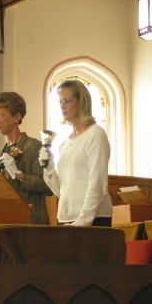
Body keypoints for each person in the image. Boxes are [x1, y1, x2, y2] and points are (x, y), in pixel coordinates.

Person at [40, 80, 112, 226]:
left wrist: (82, 221)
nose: (62, 106)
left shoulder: (96, 134)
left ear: (81, 102)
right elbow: (61, 191)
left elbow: (98, 183)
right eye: (60, 101)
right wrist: (48, 167)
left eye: (67, 101)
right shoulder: (64, 144)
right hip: (67, 217)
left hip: (93, 218)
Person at [0, 91, 52, 224]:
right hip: (7, 220)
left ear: (16, 117)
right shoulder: (2, 152)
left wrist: (19, 175)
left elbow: (47, 185)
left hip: (31, 222)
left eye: (0, 116)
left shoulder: (34, 146)